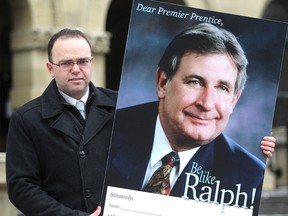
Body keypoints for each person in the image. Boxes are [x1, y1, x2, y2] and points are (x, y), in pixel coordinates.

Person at [104, 23, 276, 216]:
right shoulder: (107, 132)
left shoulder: (250, 177)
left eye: (222, 88)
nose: (207, 103)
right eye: (195, 82)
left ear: (234, 101)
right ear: (162, 83)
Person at [5, 28, 117, 216]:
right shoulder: (26, 119)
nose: (76, 69)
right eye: (66, 63)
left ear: (92, 63)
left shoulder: (120, 106)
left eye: (82, 61)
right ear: (51, 68)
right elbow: (21, 188)